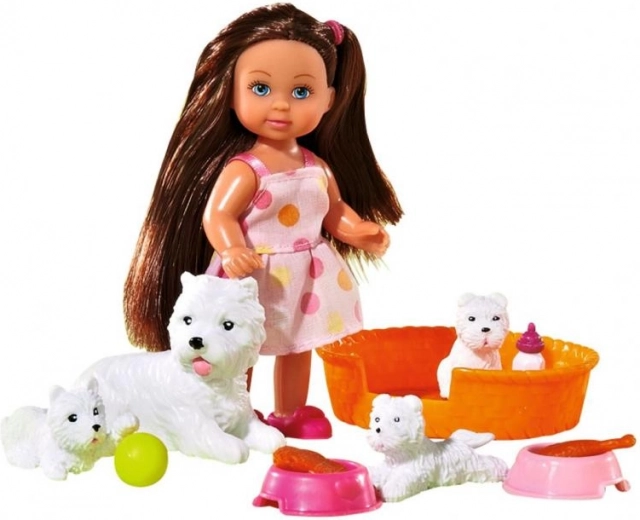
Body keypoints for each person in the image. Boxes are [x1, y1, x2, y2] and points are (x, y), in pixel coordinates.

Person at [124, 3, 402, 438]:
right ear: (232, 92)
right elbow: (218, 214)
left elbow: (332, 210)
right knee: (241, 345)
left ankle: (291, 411)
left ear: (329, 99)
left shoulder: (316, 166)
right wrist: (231, 247)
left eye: (301, 92)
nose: (281, 104)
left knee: (298, 346)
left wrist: (358, 231)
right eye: (260, 88)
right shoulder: (246, 169)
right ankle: (237, 410)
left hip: (306, 278)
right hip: (253, 272)